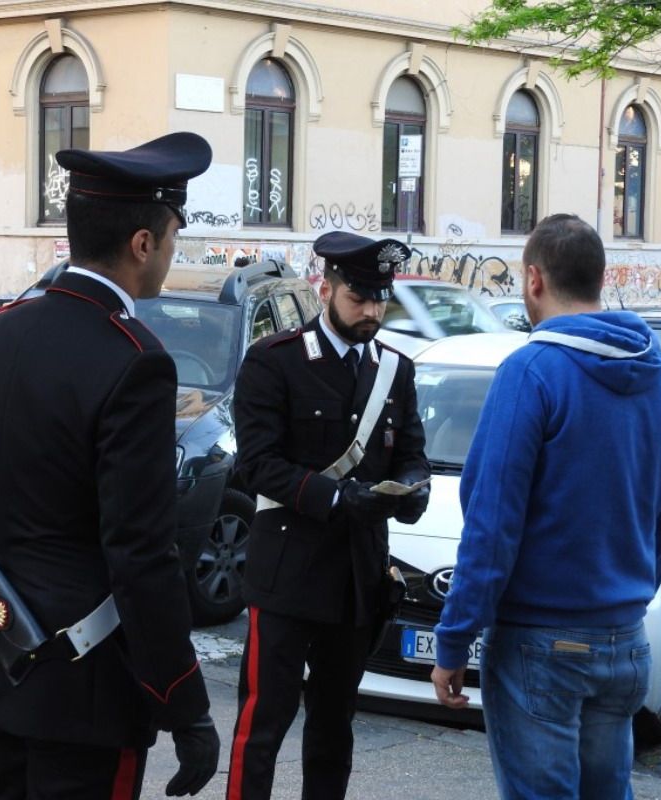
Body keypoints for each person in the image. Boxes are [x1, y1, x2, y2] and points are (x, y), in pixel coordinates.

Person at [0, 132, 220, 800]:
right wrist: (184, 704)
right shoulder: (136, 361)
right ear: (143, 243)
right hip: (87, 688)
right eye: (172, 239)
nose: (170, 255)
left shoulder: (0, 333)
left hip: (0, 656)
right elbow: (140, 554)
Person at [430, 213, 661, 800]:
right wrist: (628, 596)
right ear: (600, 279)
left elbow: (492, 524)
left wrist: (453, 641)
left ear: (533, 279)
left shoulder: (531, 371)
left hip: (541, 643)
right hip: (624, 638)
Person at [226, 231, 431, 800]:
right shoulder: (275, 362)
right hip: (288, 573)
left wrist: (415, 487)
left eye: (379, 299)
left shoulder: (396, 370)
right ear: (326, 289)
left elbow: (411, 450)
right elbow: (257, 465)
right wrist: (336, 498)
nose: (370, 312)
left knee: (334, 728)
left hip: (356, 580)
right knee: (262, 726)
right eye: (357, 298)